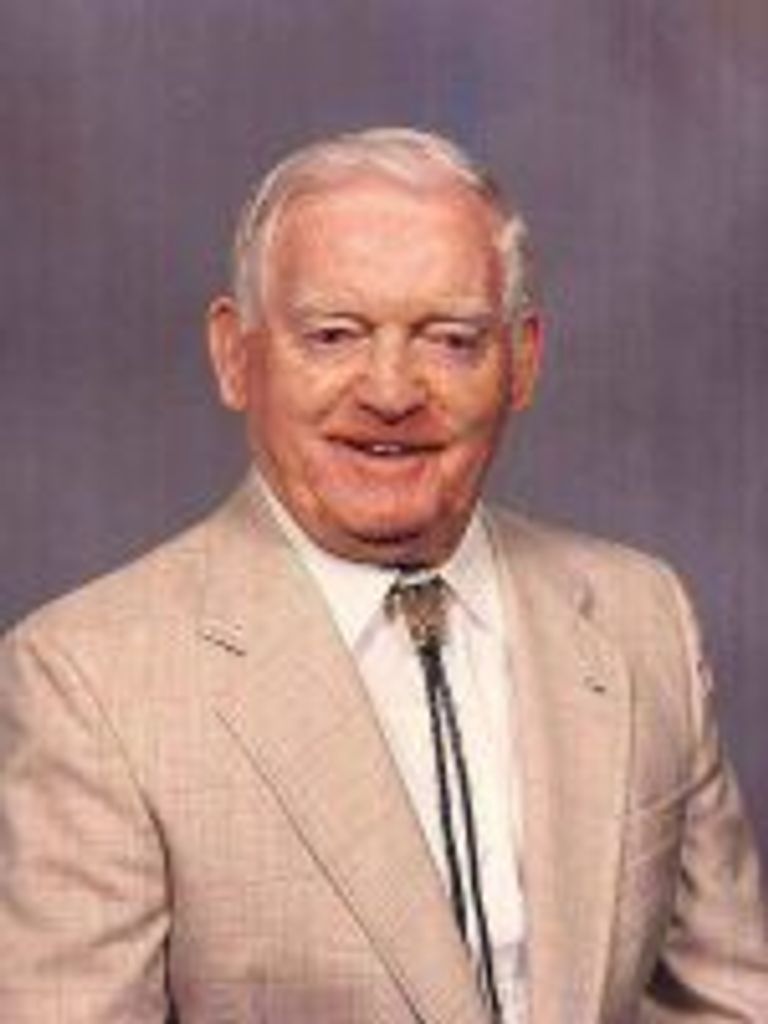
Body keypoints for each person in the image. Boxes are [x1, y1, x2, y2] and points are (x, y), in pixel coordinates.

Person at [0, 127, 766, 1024]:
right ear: (235, 355)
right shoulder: (89, 679)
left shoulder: (643, 617)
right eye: (333, 335)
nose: (392, 392)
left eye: (451, 340)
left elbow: (729, 1000)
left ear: (522, 362)